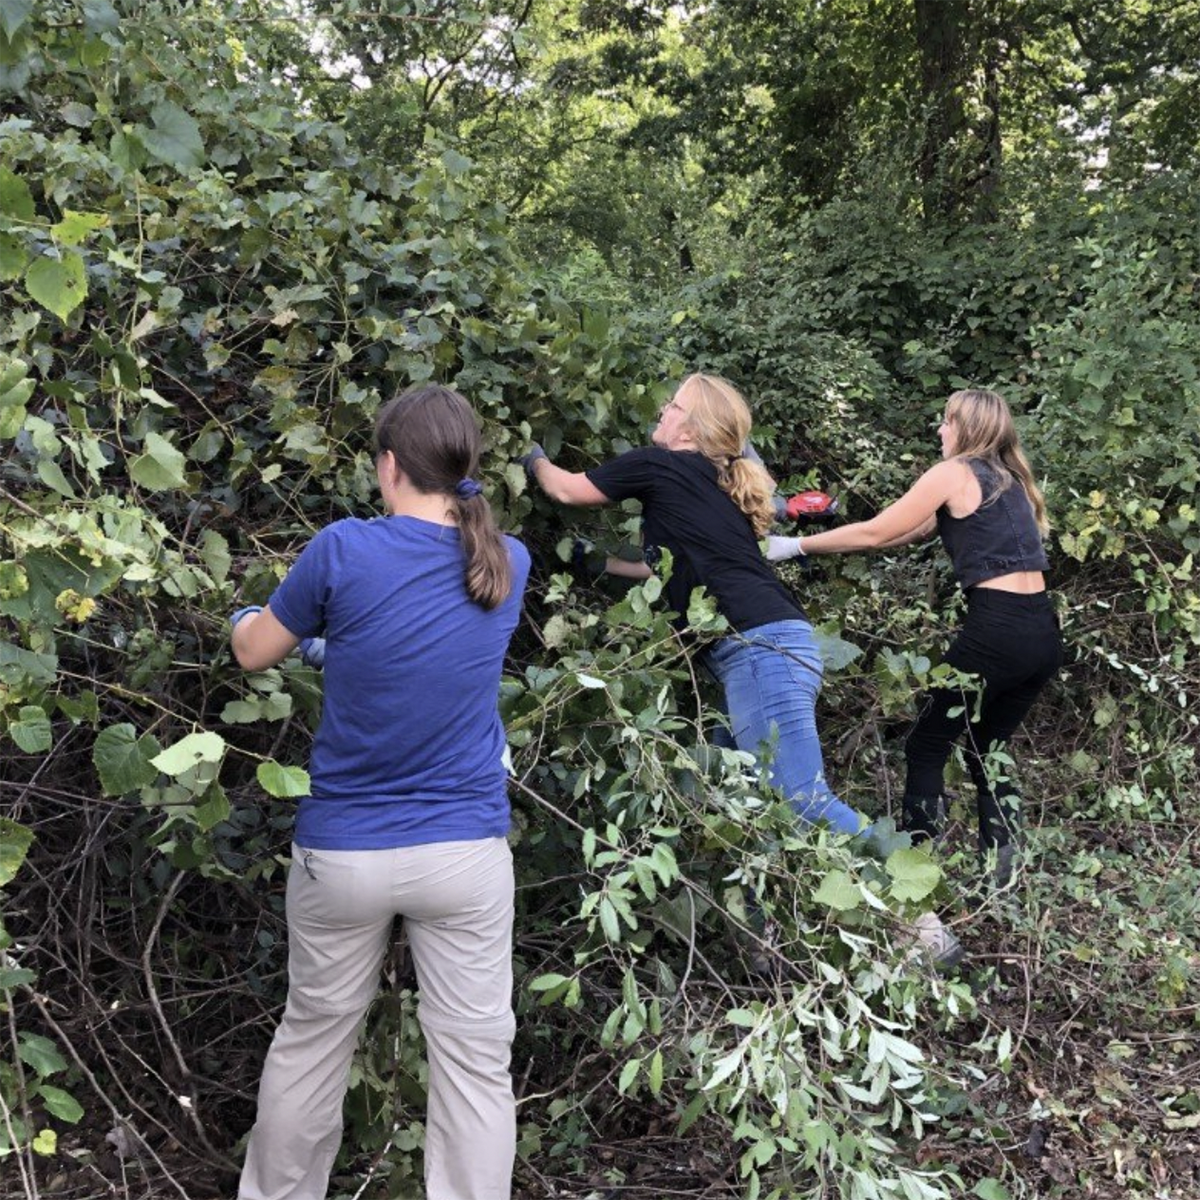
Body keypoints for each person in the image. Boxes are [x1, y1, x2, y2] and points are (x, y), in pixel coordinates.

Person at [522, 371, 962, 965]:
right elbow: (671, 569)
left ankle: (920, 916)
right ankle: (765, 936)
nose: (662, 410)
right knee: (738, 796)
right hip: (772, 644)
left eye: (672, 404)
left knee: (798, 797)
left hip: (756, 648)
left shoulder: (660, 464)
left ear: (691, 426)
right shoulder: (709, 488)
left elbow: (568, 490)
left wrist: (528, 451)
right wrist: (599, 562)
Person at [230, 384, 531, 1200]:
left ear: (389, 464)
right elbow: (424, 648)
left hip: (347, 852)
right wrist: (337, 647)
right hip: (464, 854)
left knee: (314, 1039)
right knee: (474, 1060)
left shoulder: (341, 550)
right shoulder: (507, 561)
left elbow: (255, 652)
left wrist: (247, 613)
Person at [782, 388, 1063, 890]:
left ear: (966, 427)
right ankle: (1002, 880)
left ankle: (915, 870)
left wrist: (794, 545)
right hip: (1042, 631)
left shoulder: (953, 472)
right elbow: (906, 533)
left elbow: (874, 533)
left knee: (927, 743)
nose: (940, 430)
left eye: (946, 421)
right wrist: (822, 540)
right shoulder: (1011, 480)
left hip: (995, 628)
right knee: (988, 748)